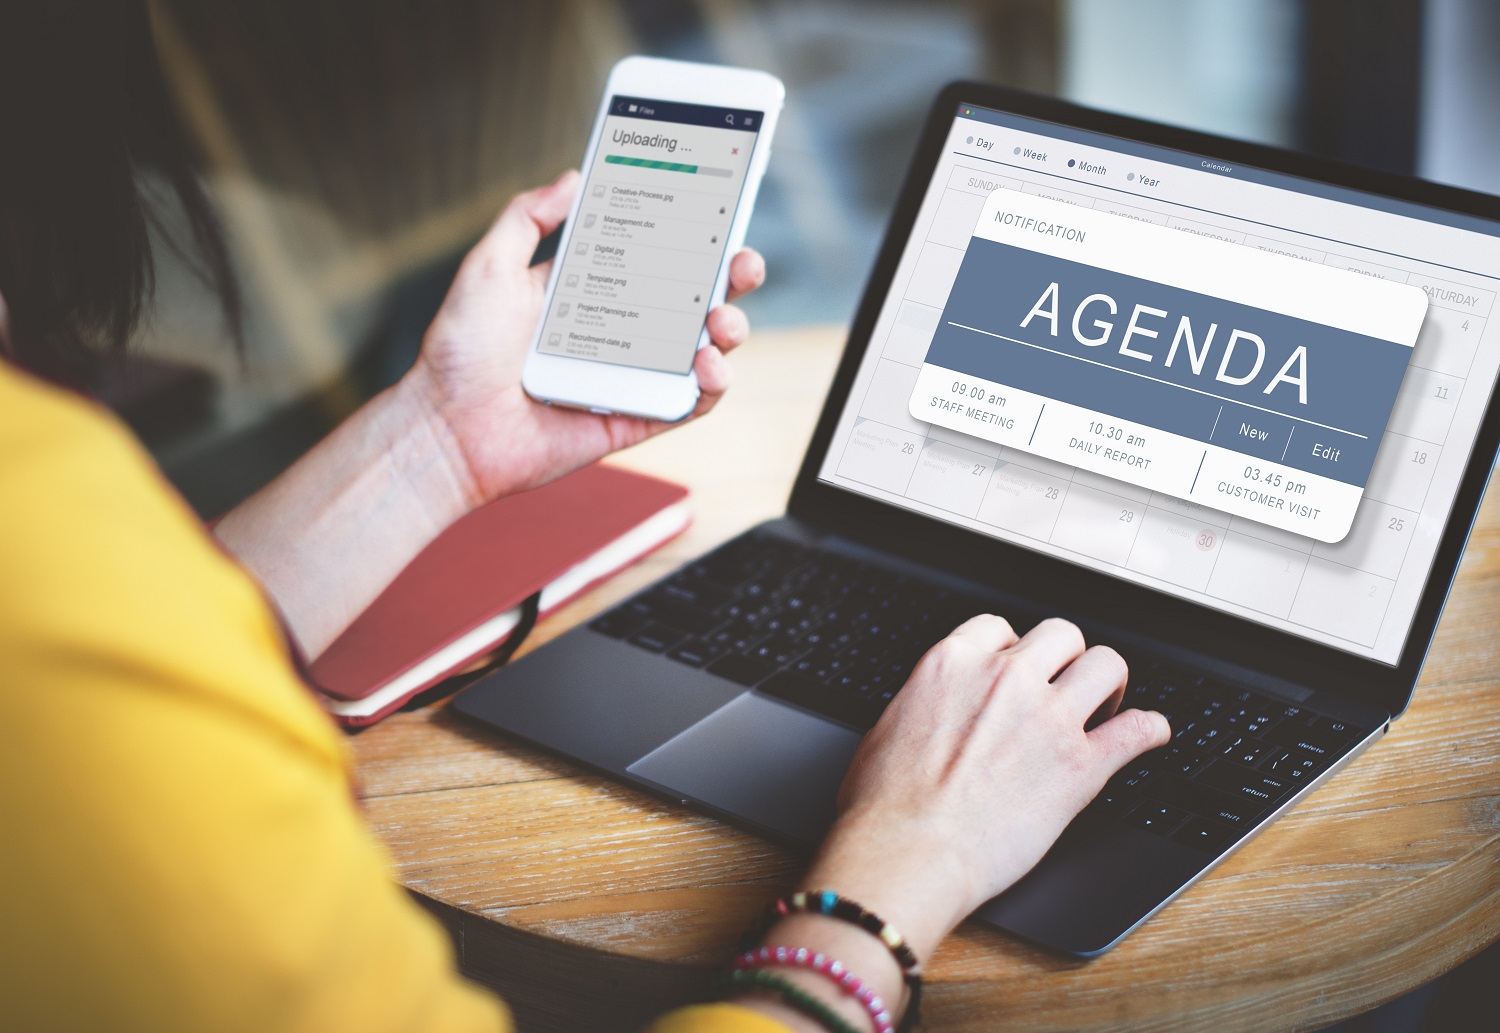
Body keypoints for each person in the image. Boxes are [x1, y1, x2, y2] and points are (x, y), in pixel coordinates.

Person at [0, 6, 1169, 1032]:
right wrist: (910, 857)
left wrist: (440, 439)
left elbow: (134, 627)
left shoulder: (50, 509)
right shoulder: (42, 540)